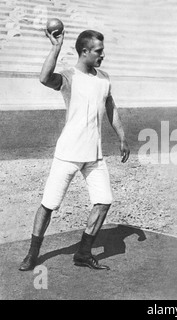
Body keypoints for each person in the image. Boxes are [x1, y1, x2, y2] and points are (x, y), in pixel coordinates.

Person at [19, 28, 130, 271]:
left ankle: (83, 253)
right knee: (49, 204)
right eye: (99, 52)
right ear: (84, 52)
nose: (103, 55)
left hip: (95, 155)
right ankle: (32, 254)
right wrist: (56, 48)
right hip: (68, 153)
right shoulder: (69, 77)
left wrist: (122, 137)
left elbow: (111, 107)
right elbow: (44, 78)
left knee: (104, 201)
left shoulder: (104, 78)